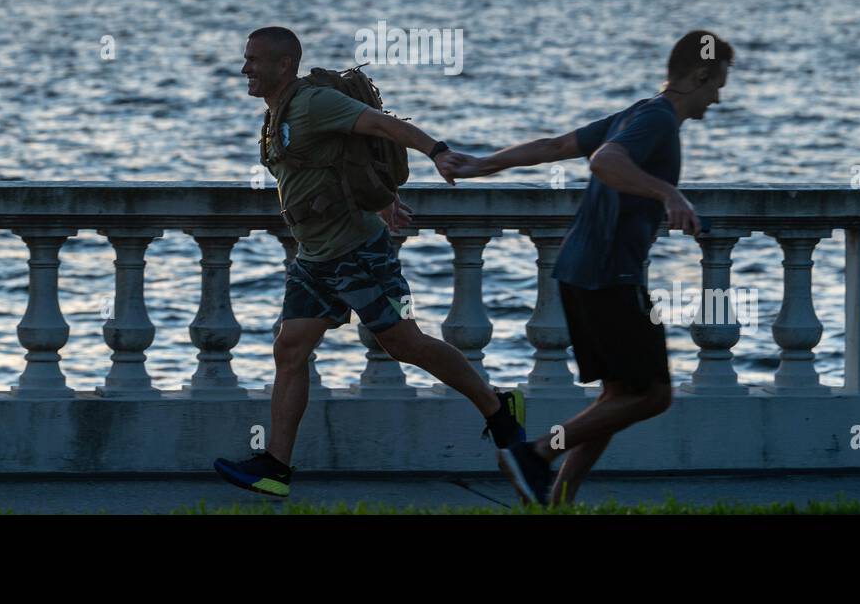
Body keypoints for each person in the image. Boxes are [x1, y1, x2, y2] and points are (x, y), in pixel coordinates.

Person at [212, 26, 525, 497]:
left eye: (254, 60)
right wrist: (379, 197)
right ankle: (275, 469)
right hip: (315, 258)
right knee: (290, 348)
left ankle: (498, 408)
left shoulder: (314, 102)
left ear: (283, 65)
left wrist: (437, 152)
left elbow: (380, 125)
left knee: (406, 344)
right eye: (245, 58)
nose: (244, 69)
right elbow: (336, 160)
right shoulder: (276, 113)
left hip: (360, 254)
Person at [445, 30, 734, 505]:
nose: (718, 97)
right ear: (701, 73)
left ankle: (558, 497)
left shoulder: (639, 112)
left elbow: (555, 146)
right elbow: (603, 161)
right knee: (653, 396)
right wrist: (670, 193)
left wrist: (481, 165)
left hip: (581, 270)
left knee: (617, 398)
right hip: (609, 276)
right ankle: (535, 454)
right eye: (718, 84)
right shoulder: (656, 121)